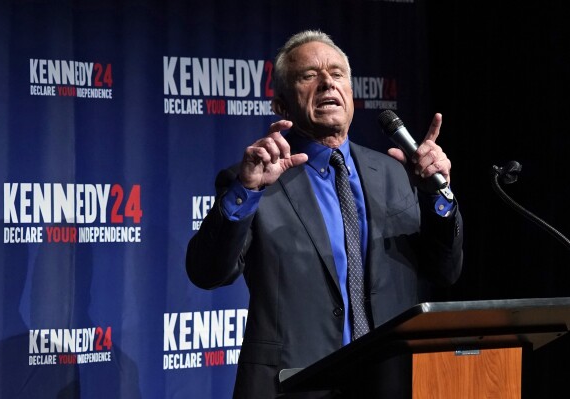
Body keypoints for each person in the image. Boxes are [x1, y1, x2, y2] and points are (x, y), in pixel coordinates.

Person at [186, 30, 463, 398]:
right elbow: (207, 272)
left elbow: (445, 270)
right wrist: (247, 190)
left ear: (350, 93)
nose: (327, 82)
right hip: (296, 385)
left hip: (390, 382)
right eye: (309, 76)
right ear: (282, 106)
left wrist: (438, 197)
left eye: (337, 73)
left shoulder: (396, 173)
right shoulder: (256, 180)